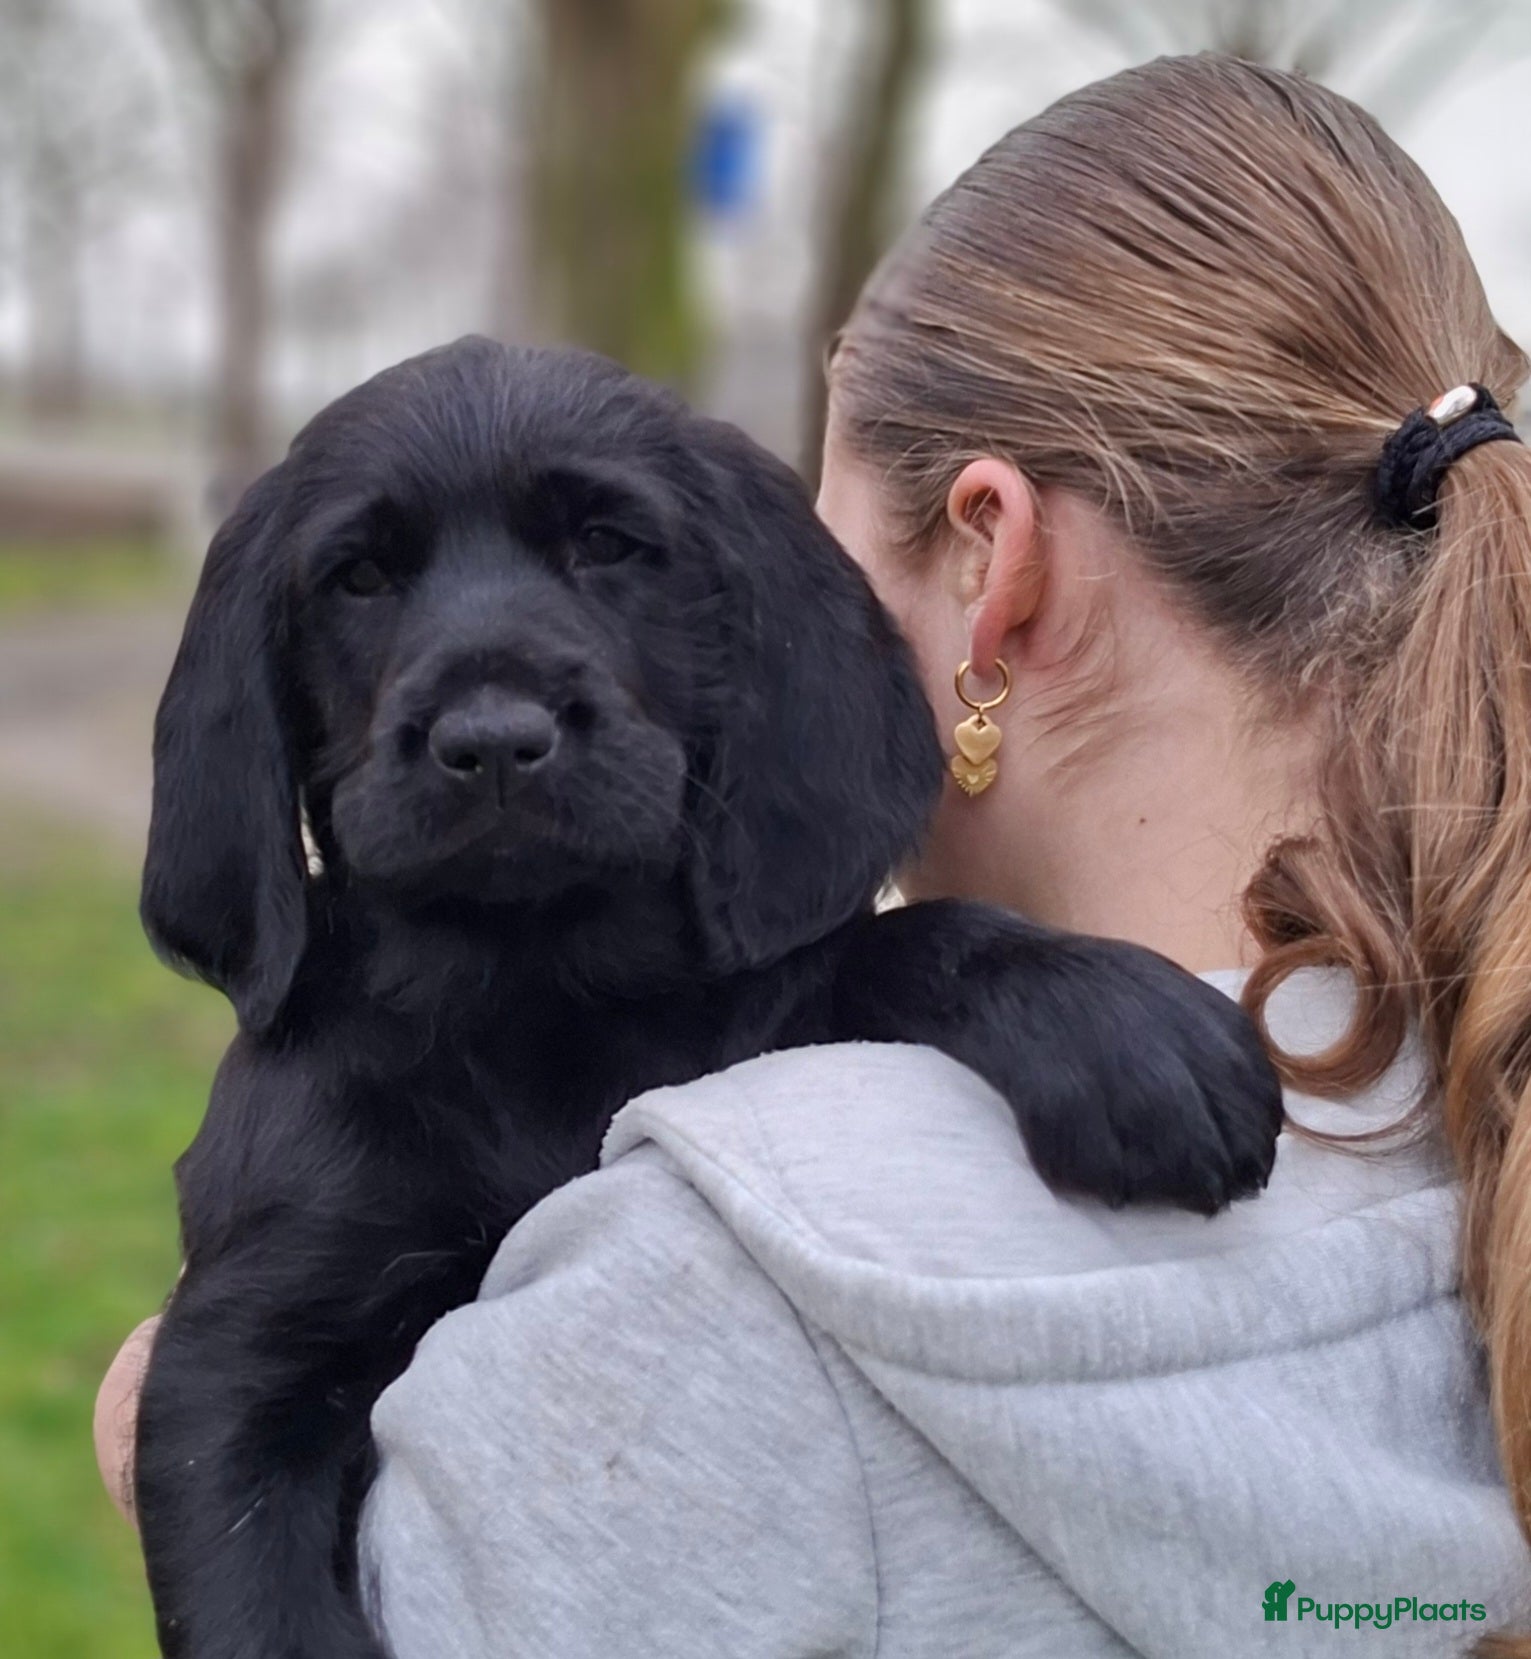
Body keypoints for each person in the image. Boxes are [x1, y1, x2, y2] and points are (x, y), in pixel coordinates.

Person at [97, 53, 1531, 1657]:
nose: (489, 711)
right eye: (364, 579)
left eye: (615, 550)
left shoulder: (742, 1288)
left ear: (994, 557)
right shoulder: (1476, 1075)